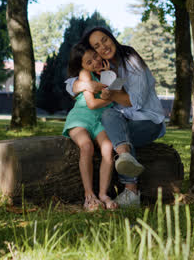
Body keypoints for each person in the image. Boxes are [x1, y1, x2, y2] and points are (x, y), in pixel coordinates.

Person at [65, 27, 166, 207]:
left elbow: (134, 101)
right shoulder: (101, 68)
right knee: (109, 114)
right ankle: (124, 156)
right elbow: (71, 84)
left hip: (147, 121)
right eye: (96, 46)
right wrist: (87, 84)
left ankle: (130, 190)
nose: (103, 47)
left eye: (104, 40)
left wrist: (108, 92)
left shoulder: (131, 60)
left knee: (118, 133)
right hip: (117, 121)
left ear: (112, 37)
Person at [62, 42, 119, 211]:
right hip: (81, 119)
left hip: (100, 121)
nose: (95, 62)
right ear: (82, 66)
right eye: (89, 62)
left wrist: (109, 76)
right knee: (86, 146)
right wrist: (110, 97)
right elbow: (92, 104)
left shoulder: (107, 75)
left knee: (108, 147)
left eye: (95, 56)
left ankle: (103, 194)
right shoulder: (85, 74)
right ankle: (89, 196)